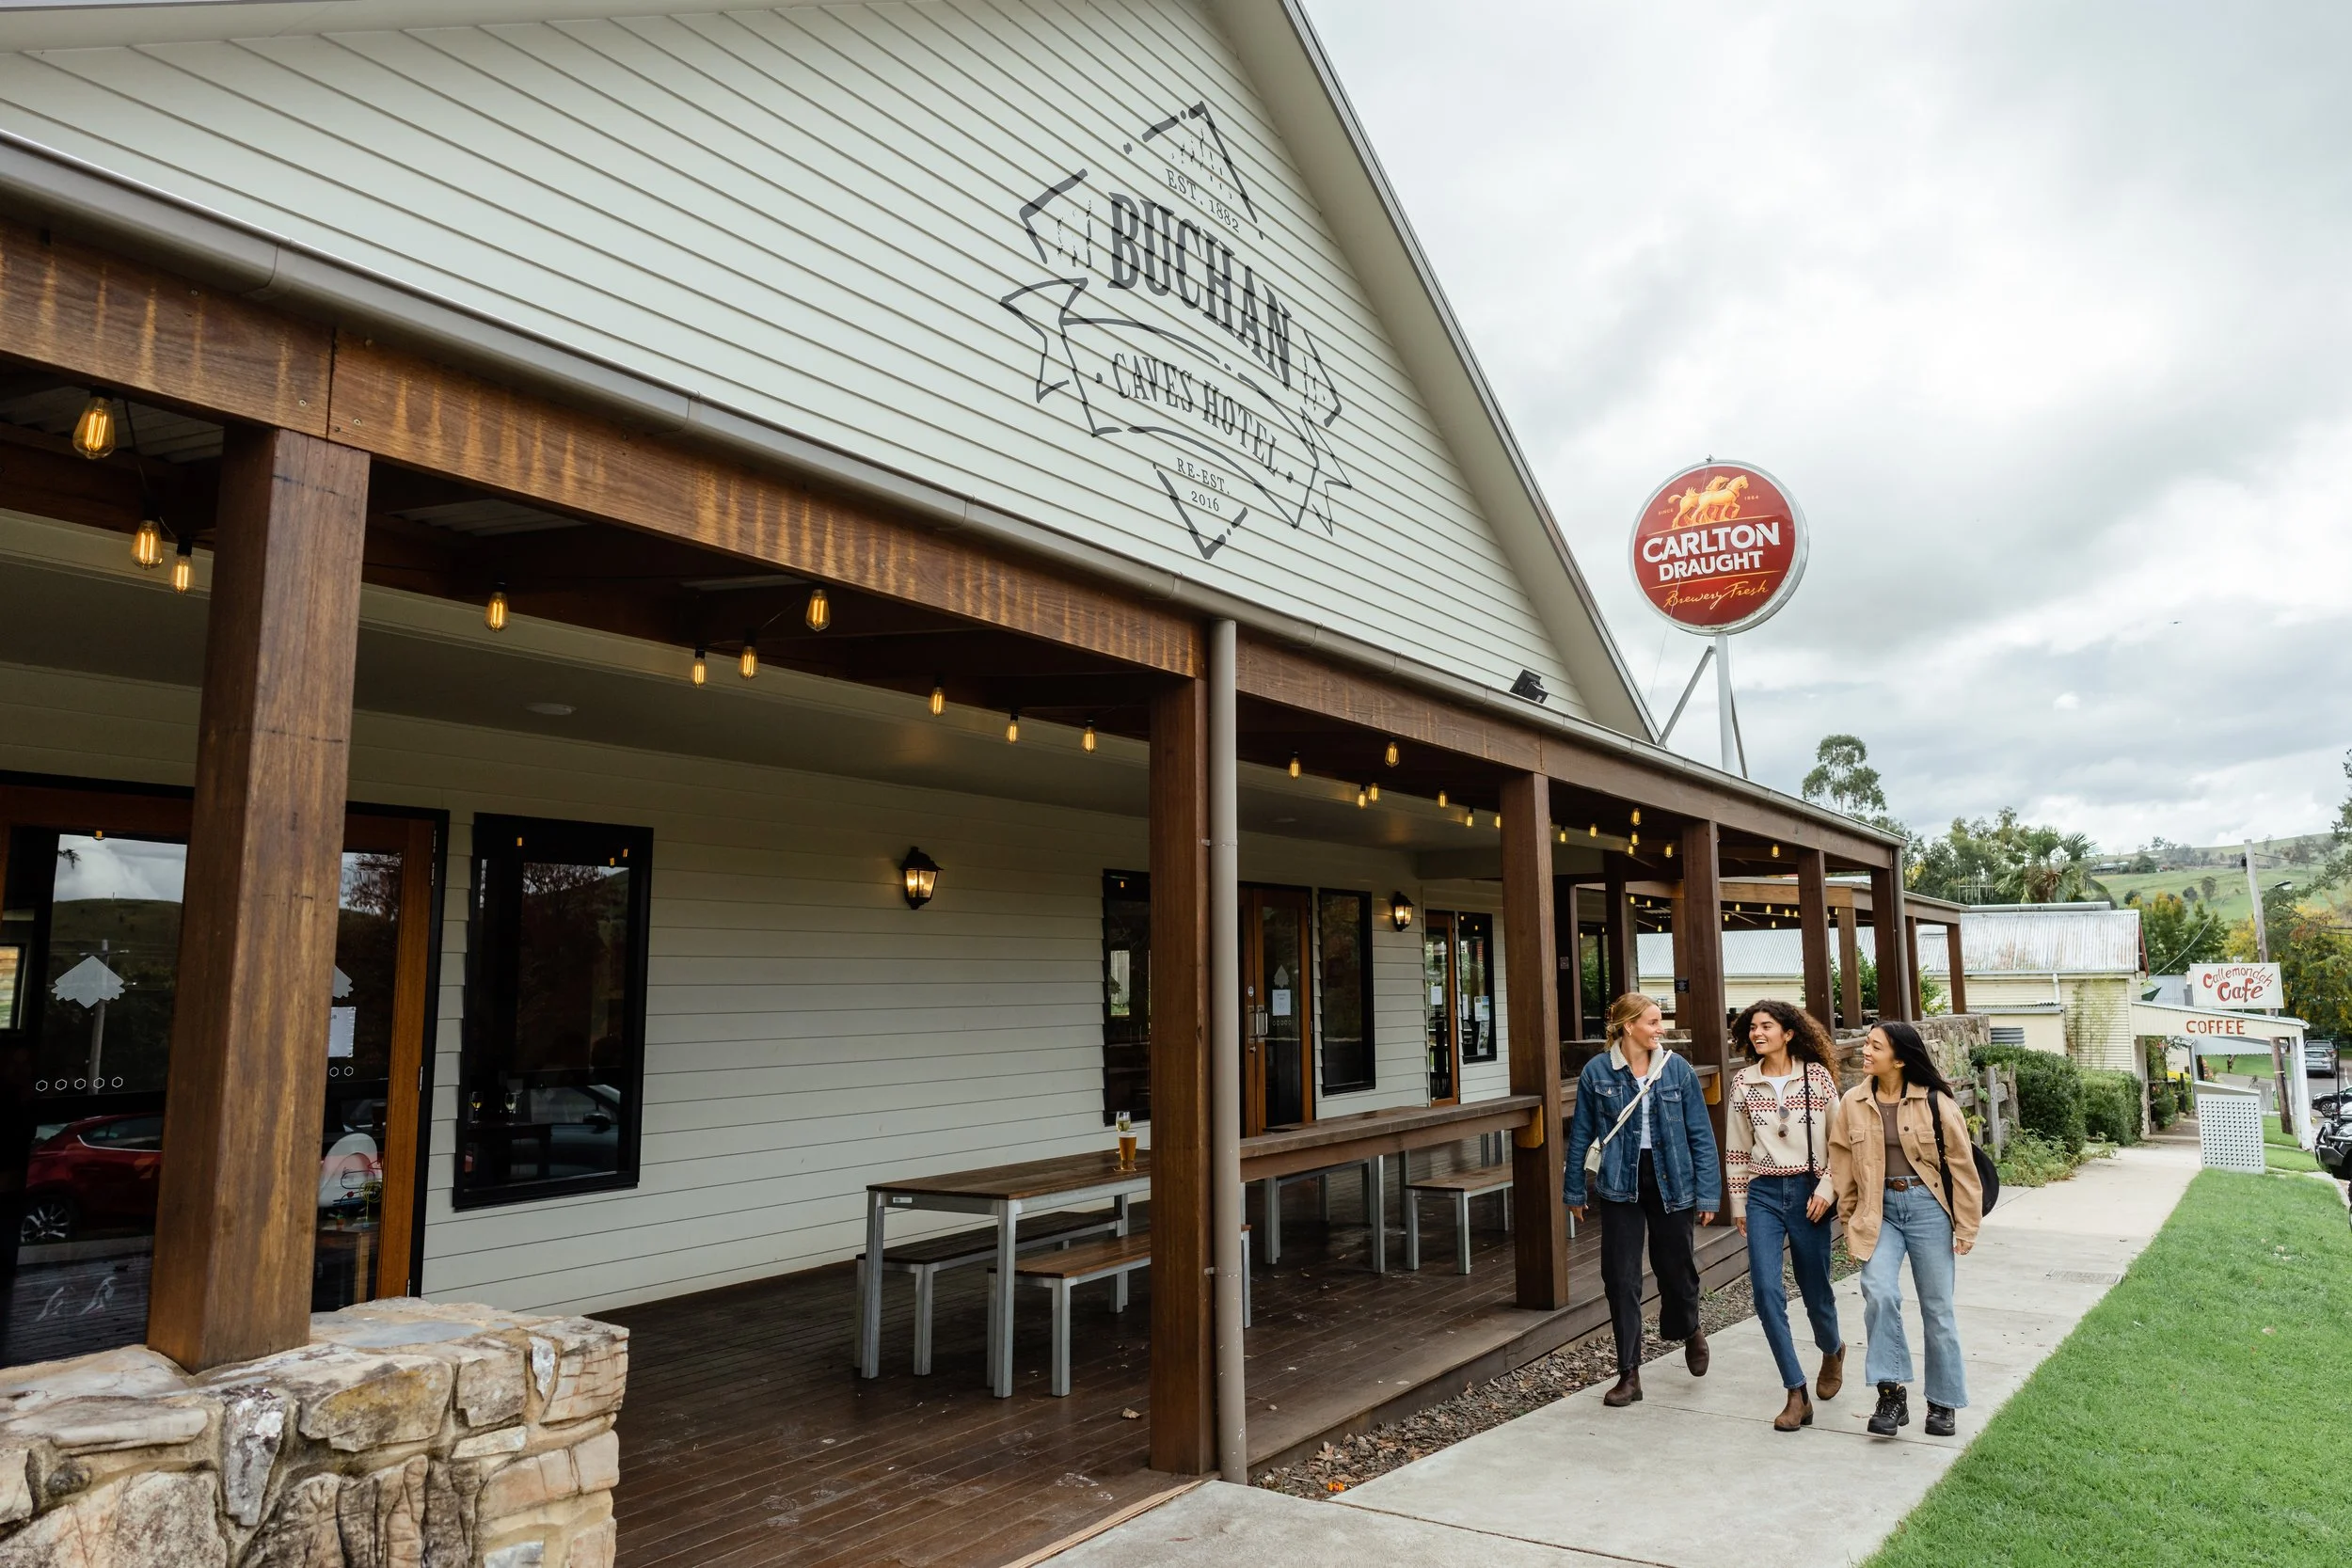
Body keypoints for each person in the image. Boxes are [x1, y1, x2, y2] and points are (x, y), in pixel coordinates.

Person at [1565, 992, 1721, 1407]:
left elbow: (1701, 1136)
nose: (1661, 1029)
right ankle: (1629, 1374)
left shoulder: (1678, 1071)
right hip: (1620, 1182)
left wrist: (1708, 1192)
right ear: (1628, 1026)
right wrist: (1575, 1189)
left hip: (1672, 1180)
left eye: (1660, 1021)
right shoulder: (1597, 1072)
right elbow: (1581, 1133)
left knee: (1676, 1268)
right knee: (1620, 1277)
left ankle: (1688, 1328)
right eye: (1653, 1022)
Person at [1830, 1020, 1982, 1438]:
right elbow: (1841, 1163)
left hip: (1927, 1206)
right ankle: (1891, 1394)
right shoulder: (1853, 1101)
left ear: (1898, 1058)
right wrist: (1849, 1219)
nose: (1865, 1051)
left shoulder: (1936, 1102)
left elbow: (1962, 1167)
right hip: (1877, 1209)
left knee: (1937, 1308)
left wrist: (1966, 1225)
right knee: (1879, 1292)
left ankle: (1943, 1402)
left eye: (1874, 1046)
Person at [1725, 1000, 1845, 1432]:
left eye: (1767, 1026)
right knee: (1765, 1292)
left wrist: (1828, 1188)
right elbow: (1737, 1150)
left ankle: (1832, 1349)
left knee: (1816, 1293)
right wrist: (1739, 1204)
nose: (1758, 1034)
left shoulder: (1816, 1078)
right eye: (1752, 1028)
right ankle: (1796, 1391)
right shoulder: (1744, 1083)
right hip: (1763, 1195)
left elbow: (1841, 1142)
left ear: (1788, 1033)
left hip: (1810, 1193)